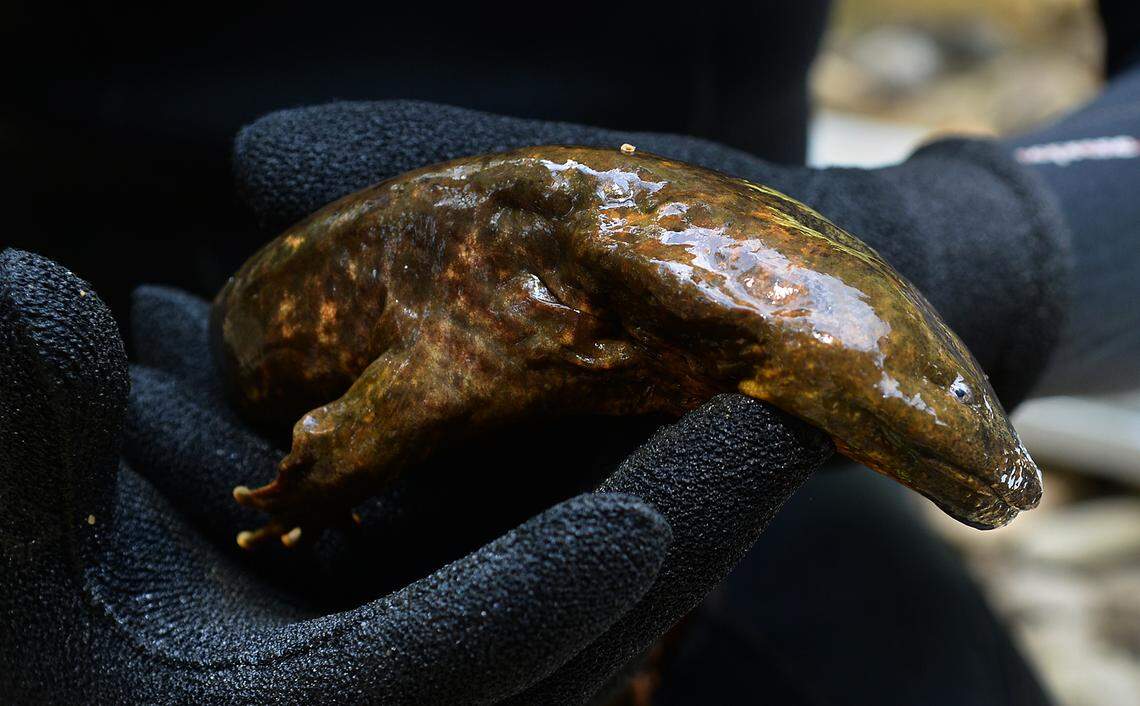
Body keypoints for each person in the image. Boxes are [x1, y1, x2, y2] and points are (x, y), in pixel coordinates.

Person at [2, 2, 1137, 703]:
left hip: (740, 514)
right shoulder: (530, 312)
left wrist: (1003, 242)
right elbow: (345, 434)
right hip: (103, 432)